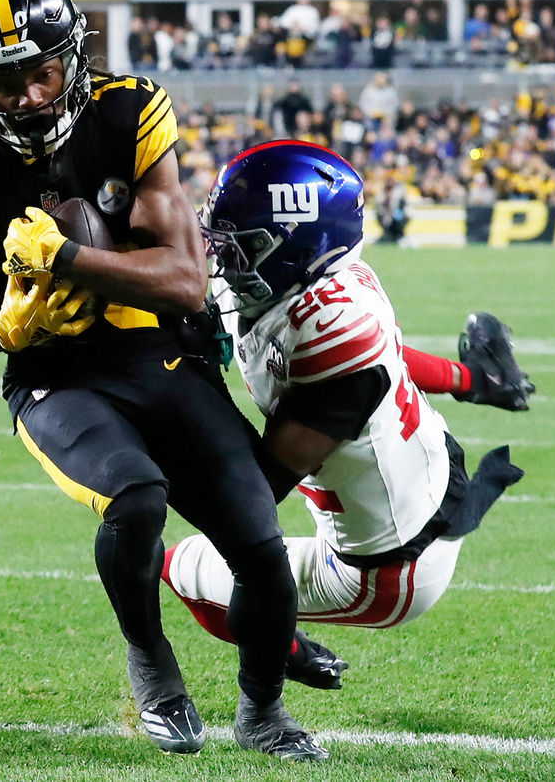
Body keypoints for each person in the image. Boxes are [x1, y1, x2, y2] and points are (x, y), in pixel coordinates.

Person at [0, 0, 325, 760]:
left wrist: (66, 262)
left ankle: (262, 713)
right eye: (5, 82)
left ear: (73, 55)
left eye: (42, 71)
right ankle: (152, 663)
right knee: (135, 498)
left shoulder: (128, 109)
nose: (28, 95)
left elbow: (187, 280)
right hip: (55, 375)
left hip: (160, 354)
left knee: (262, 549)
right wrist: (0, 334)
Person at [163, 141, 532, 681]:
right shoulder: (329, 283)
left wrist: (186, 384)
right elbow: (389, 358)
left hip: (385, 573)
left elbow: (250, 498)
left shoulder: (327, 341)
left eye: (240, 244)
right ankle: (279, 636)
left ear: (292, 246)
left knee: (180, 565)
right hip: (428, 487)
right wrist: (469, 380)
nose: (220, 254)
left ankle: (279, 649)